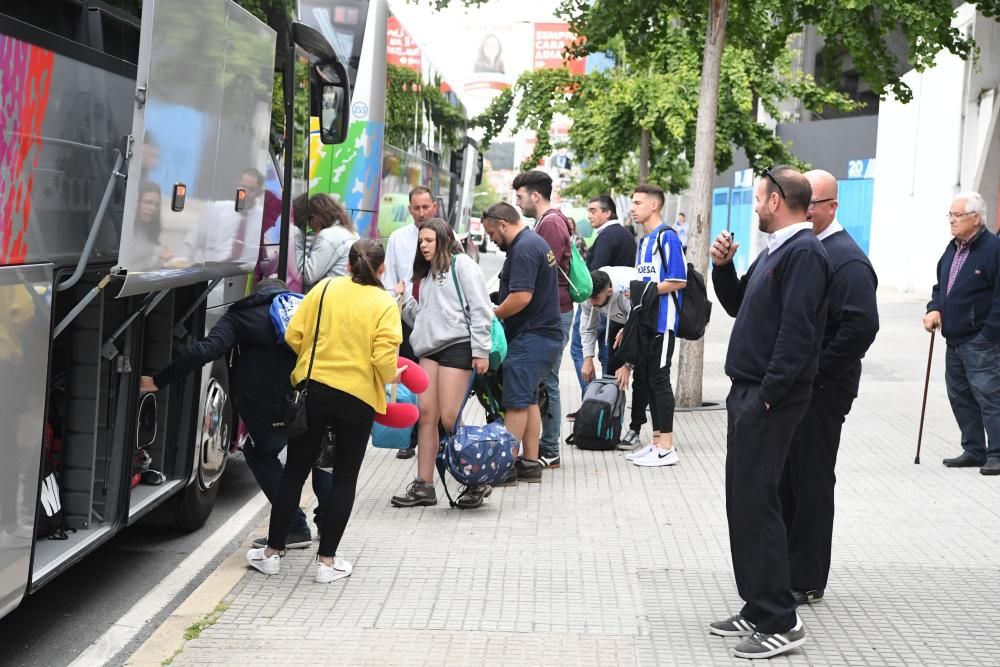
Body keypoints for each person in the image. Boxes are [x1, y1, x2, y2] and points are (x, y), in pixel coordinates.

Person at [707, 166, 831, 659]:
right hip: (752, 394)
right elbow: (739, 306)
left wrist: (768, 396)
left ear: (777, 200)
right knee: (745, 501)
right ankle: (759, 605)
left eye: (759, 198)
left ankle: (781, 619)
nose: (755, 206)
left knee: (758, 504)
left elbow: (798, 335)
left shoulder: (803, 253)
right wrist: (723, 267)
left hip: (767, 398)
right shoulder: (777, 250)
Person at [246, 240, 402, 583]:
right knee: (344, 477)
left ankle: (272, 554)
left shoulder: (325, 289)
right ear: (382, 269)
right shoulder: (385, 303)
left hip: (314, 392)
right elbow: (383, 361)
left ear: (348, 265)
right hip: (358, 398)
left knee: (294, 473)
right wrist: (393, 375)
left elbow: (293, 334)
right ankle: (327, 562)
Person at [140, 279, 330, 547]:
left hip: (273, 411)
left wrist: (158, 381)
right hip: (314, 399)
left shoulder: (242, 315)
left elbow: (205, 350)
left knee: (260, 455)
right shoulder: (305, 307)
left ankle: (295, 526)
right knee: (318, 453)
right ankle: (328, 523)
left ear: (256, 294)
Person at [779, 170, 880, 606]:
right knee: (788, 479)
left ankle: (806, 578)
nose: (804, 210)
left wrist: (818, 373)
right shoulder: (806, 248)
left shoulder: (847, 259)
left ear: (831, 207)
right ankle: (785, 565)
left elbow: (861, 327)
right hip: (799, 386)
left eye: (812, 203)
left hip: (823, 391)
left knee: (811, 480)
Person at [389, 218, 493, 509]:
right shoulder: (427, 274)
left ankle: (477, 479)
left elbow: (481, 309)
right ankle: (424, 485)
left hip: (458, 347)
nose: (423, 245)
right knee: (425, 415)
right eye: (421, 241)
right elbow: (422, 318)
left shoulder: (463, 266)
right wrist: (404, 300)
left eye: (429, 240)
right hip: (429, 349)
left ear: (444, 239)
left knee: (449, 418)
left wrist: (481, 350)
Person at [480, 202, 562, 484]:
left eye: (491, 232)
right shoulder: (532, 243)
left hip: (533, 337)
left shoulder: (525, 248)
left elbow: (522, 297)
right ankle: (530, 463)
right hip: (542, 335)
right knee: (527, 399)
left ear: (503, 224)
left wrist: (494, 314)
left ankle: (506, 465)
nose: (491, 238)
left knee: (515, 401)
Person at [924, 191, 1000, 475]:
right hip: (954, 339)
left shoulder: (994, 249)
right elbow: (941, 287)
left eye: (958, 216)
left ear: (976, 219)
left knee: (990, 396)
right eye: (951, 215)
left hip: (980, 339)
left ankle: (997, 452)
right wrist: (935, 308)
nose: (952, 221)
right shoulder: (952, 248)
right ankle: (974, 449)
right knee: (960, 395)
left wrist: (989, 334)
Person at [616, 183, 686, 468]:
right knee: (645, 379)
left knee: (659, 380)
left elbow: (679, 280)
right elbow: (642, 286)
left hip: (663, 322)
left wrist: (648, 290)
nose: (632, 208)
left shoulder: (666, 238)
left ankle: (667, 446)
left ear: (654, 205)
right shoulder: (643, 241)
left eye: (637, 203)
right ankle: (656, 441)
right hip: (645, 323)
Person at [513, 170, 572, 468]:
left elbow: (541, 275)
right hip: (556, 311)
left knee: (547, 382)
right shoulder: (549, 221)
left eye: (520, 196)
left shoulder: (549, 224)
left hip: (555, 312)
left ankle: (549, 448)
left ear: (535, 195)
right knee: (544, 381)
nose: (518, 202)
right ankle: (545, 447)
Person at [382, 186, 438, 460]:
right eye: (416, 208)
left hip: (435, 319)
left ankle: (432, 432)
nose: (421, 213)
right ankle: (409, 436)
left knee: (430, 378)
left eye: (425, 207)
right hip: (405, 315)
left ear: (434, 207)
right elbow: (389, 279)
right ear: (409, 209)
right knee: (407, 375)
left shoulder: (446, 237)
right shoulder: (398, 238)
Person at [569, 195, 637, 398]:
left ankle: (593, 400)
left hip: (611, 303)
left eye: (593, 210)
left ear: (608, 212)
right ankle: (608, 402)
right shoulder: (626, 235)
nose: (589, 215)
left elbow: (595, 276)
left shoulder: (607, 236)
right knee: (608, 354)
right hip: (612, 305)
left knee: (581, 349)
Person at [579, 267, 649, 445]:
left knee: (641, 379)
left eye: (597, 299)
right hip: (619, 323)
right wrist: (588, 358)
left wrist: (628, 365)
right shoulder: (589, 295)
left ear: (609, 291)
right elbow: (588, 327)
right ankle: (610, 424)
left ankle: (635, 429)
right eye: (590, 299)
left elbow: (640, 323)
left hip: (644, 323)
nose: (592, 303)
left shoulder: (625, 291)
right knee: (611, 378)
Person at [297, 193, 359, 290]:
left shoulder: (329, 236)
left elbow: (308, 275)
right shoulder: (349, 232)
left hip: (329, 297)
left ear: (317, 217)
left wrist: (297, 241)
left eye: (309, 219)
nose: (309, 225)